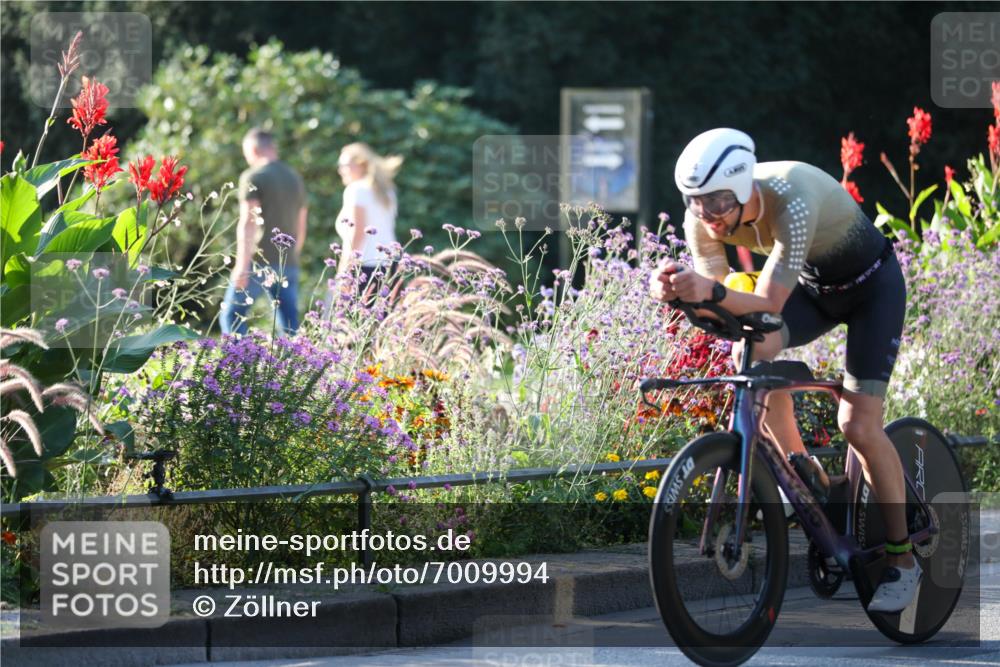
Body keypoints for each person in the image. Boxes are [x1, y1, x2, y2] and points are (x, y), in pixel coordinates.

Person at [649, 128, 915, 613]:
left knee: (857, 425)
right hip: (814, 290)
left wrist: (705, 292)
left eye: (720, 202)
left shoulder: (791, 194)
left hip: (872, 288)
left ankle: (904, 558)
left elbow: (768, 300)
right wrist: (674, 291)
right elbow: (724, 305)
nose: (709, 217)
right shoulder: (702, 220)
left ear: (746, 186)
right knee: (749, 352)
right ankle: (805, 474)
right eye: (695, 203)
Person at [221, 128, 307, 335]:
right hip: (288, 261)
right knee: (289, 324)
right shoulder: (294, 177)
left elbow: (248, 222)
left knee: (232, 315)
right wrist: (293, 254)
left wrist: (242, 266)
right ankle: (296, 365)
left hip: (259, 261)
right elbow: (302, 221)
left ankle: (237, 365)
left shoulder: (254, 176)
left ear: (252, 149)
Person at [334, 143, 402, 292]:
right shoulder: (387, 191)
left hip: (364, 270)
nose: (340, 170)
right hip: (390, 268)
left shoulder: (356, 190)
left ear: (361, 165)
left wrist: (344, 271)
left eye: (344, 165)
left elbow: (357, 234)